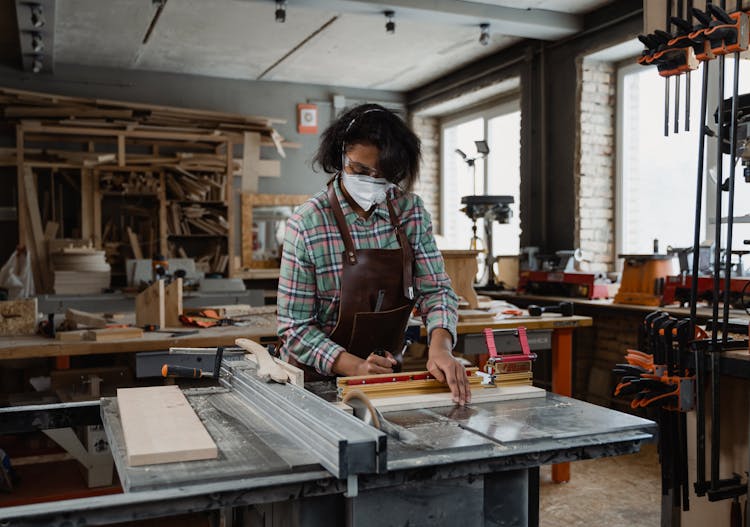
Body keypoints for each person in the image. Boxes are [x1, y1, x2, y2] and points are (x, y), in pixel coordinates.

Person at [277, 103, 470, 405]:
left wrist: (441, 347)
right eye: (360, 169)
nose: (370, 181)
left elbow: (435, 291)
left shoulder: (411, 212)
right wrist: (354, 366)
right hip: (313, 383)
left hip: (383, 376)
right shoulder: (307, 224)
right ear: (340, 155)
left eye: (382, 175)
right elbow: (294, 327)